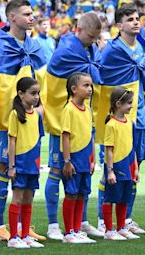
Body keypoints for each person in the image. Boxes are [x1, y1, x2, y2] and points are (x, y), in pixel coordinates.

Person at [0, 0, 47, 241]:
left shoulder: (34, 45)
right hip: (12, 120)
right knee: (4, 169)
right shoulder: (3, 45)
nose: (31, 17)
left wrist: (41, 108)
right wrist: (13, 115)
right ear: (12, 17)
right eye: (26, 14)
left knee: (27, 172)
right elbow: (3, 86)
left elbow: (40, 79)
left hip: (32, 120)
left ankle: (24, 227)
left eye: (32, 13)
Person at [44, 12, 102, 240]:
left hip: (84, 119)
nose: (94, 41)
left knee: (84, 172)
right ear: (79, 30)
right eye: (90, 36)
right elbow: (56, 81)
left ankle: (82, 222)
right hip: (63, 119)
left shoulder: (89, 50)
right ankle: (52, 225)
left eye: (97, 37)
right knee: (57, 171)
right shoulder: (67, 49)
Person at [96, 5, 145, 235]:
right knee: (111, 170)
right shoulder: (112, 50)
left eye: (137, 18)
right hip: (117, 121)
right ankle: (103, 218)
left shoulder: (144, 46)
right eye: (130, 19)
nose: (136, 22)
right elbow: (100, 78)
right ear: (119, 25)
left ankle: (125, 219)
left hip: (139, 118)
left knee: (133, 169)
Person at [7, 77, 44, 249]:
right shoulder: (15, 114)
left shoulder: (37, 115)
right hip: (20, 164)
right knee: (18, 198)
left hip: (33, 164)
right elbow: (12, 141)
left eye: (38, 93)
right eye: (33, 93)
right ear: (21, 94)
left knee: (28, 199)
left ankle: (25, 234)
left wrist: (39, 163)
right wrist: (12, 166)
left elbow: (38, 140)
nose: (36, 97)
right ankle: (13, 236)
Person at [60, 73, 97, 244]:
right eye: (86, 85)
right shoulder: (69, 109)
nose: (90, 89)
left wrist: (93, 158)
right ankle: (69, 232)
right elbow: (65, 136)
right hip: (73, 158)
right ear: (74, 89)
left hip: (85, 158)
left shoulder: (88, 109)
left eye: (91, 85)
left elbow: (91, 135)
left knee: (82, 193)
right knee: (71, 194)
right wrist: (67, 161)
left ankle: (77, 229)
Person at [101, 87, 140, 241]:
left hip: (129, 166)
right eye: (129, 103)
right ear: (118, 104)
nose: (131, 106)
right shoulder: (111, 125)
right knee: (110, 197)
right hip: (116, 166)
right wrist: (110, 171)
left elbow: (132, 147)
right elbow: (109, 150)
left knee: (124, 198)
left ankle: (121, 227)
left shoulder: (131, 124)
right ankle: (109, 230)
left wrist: (135, 168)